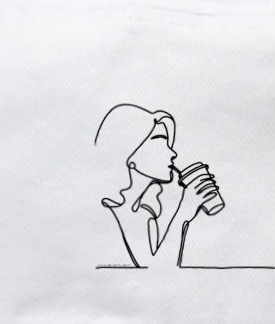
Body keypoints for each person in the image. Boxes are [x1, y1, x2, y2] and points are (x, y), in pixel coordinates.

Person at [94, 104, 221, 268]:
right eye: (160, 142)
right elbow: (156, 273)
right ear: (130, 156)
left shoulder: (145, 214)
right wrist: (184, 211)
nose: (173, 153)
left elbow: (159, 273)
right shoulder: (111, 214)